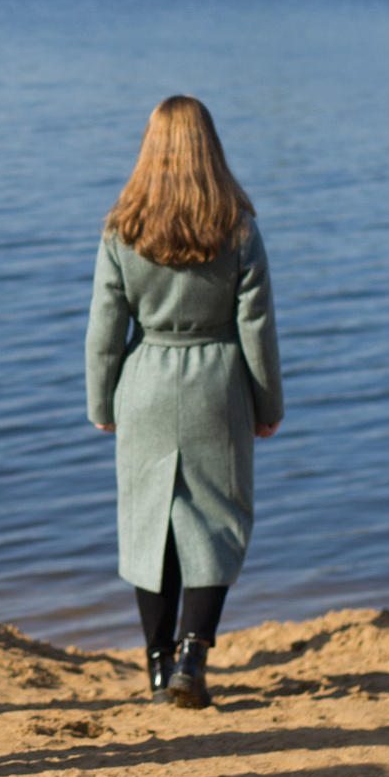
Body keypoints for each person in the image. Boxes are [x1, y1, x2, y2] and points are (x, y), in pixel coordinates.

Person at [85, 96, 282, 709]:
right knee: (216, 519)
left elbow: (102, 330)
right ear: (210, 147)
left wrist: (102, 400)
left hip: (144, 381)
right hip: (216, 384)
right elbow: (257, 328)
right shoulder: (239, 226)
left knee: (148, 524)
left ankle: (156, 664)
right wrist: (267, 403)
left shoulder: (124, 226)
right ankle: (194, 654)